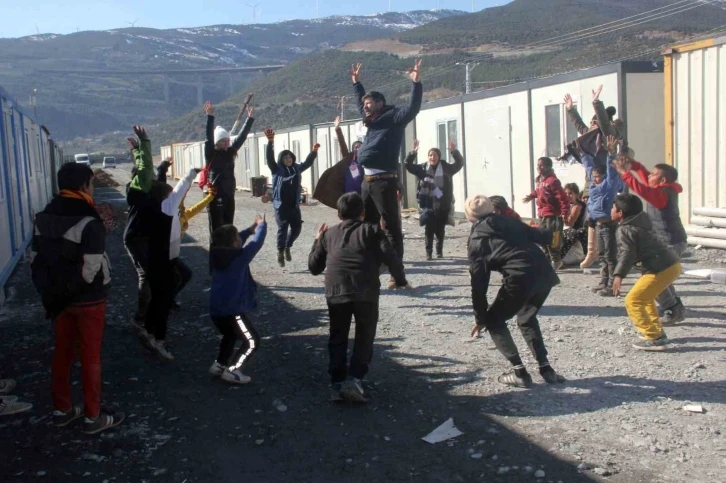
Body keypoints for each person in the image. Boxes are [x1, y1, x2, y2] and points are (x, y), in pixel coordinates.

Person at [30, 162, 124, 434]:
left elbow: (37, 259)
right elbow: (91, 268)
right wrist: (72, 292)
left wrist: (54, 295)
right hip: (88, 300)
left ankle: (62, 410)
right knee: (90, 357)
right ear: (84, 186)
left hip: (57, 299)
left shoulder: (43, 216)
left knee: (62, 353)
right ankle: (93, 417)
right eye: (91, 183)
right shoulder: (89, 220)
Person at [308, 193, 410, 403]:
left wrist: (316, 240)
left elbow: (314, 267)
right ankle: (354, 379)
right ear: (363, 213)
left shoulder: (328, 235)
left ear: (338, 214)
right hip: (365, 291)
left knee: (338, 335)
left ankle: (337, 381)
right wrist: (400, 279)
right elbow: (392, 257)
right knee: (364, 335)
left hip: (336, 291)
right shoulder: (372, 230)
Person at [466, 195, 565, 388]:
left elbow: (479, 283)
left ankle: (519, 373)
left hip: (520, 276)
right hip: (544, 273)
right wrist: (547, 229)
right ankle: (547, 370)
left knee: (493, 320)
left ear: (470, 215)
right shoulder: (508, 220)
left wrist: (480, 318)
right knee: (526, 318)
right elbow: (542, 236)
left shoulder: (477, 238)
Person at [350, 59, 423, 288]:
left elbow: (413, 108)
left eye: (370, 103)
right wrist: (357, 84)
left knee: (391, 229)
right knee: (366, 226)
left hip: (384, 182)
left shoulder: (393, 118)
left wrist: (416, 83)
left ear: (380, 103)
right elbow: (360, 105)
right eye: (366, 104)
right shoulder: (372, 120)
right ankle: (370, 268)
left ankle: (396, 276)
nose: (366, 107)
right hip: (367, 182)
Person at [614, 155, 688, 325]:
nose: (648, 176)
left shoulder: (662, 193)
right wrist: (634, 165)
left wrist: (626, 173)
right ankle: (674, 307)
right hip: (668, 240)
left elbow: (643, 190)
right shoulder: (662, 189)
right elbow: (646, 181)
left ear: (662, 179)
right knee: (662, 277)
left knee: (654, 277)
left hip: (671, 241)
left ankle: (672, 309)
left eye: (653, 174)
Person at [564, 85, 626, 268]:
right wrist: (570, 109)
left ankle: (611, 253)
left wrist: (596, 102)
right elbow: (579, 126)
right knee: (591, 219)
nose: (591, 126)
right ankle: (593, 253)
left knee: (607, 220)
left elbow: (604, 123)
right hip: (593, 182)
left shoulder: (608, 135)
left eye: (594, 123)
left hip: (608, 181)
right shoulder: (590, 137)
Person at [611, 194, 680, 351]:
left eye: (613, 207)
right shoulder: (641, 220)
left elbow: (626, 253)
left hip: (661, 268)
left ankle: (654, 338)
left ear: (620, 213)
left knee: (633, 301)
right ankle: (656, 331)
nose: (611, 210)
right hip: (670, 265)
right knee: (645, 298)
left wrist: (618, 275)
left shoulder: (624, 229)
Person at [209, 215, 267, 384]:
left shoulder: (216, 253)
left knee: (230, 336)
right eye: (237, 238)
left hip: (216, 311)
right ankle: (234, 370)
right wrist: (262, 226)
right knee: (252, 341)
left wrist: (250, 229)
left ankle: (219, 364)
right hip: (233, 312)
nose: (239, 239)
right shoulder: (239, 258)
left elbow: (238, 239)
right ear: (234, 243)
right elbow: (256, 244)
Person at [156, 159, 216, 307]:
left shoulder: (181, 214)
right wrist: (191, 174)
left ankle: (168, 300)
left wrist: (210, 196)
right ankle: (163, 302)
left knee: (182, 275)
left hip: (171, 253)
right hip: (163, 252)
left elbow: (196, 207)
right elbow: (180, 190)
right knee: (174, 277)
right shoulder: (167, 209)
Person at [265, 127, 319, 267]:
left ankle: (288, 246)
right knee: (282, 228)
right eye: (285, 157)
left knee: (296, 229)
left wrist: (313, 152)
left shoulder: (296, 168)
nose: (288, 159)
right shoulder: (276, 169)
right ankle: (280, 252)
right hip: (281, 206)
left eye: (290, 157)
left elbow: (307, 163)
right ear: (281, 160)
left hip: (294, 205)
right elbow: (269, 158)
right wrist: (270, 142)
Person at [404, 138, 464, 260]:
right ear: (428, 157)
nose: (432, 157)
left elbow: (459, 163)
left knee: (440, 229)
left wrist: (454, 151)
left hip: (442, 203)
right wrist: (413, 153)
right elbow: (407, 165)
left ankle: (439, 251)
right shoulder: (422, 168)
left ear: (439, 156)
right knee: (429, 229)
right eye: (430, 155)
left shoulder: (446, 167)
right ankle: (429, 253)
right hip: (427, 204)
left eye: (435, 155)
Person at [204, 100, 255, 234]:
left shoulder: (230, 153)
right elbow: (208, 138)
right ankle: (215, 251)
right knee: (216, 228)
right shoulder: (210, 154)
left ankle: (228, 251)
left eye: (228, 140)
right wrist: (210, 116)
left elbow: (241, 137)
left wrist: (249, 120)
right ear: (217, 142)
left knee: (228, 226)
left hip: (228, 195)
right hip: (214, 195)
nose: (227, 143)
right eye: (223, 141)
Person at [583, 136, 623, 296]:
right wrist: (583, 152)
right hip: (598, 225)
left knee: (610, 256)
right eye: (595, 177)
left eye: (599, 176)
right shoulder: (593, 187)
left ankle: (614, 286)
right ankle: (604, 281)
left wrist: (611, 154)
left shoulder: (608, 185)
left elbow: (611, 172)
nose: (596, 179)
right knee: (602, 255)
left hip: (608, 225)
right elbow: (588, 167)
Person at [124, 126, 154, 330]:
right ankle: (140, 317)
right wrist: (144, 141)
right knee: (146, 274)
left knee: (151, 273)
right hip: (136, 237)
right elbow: (145, 167)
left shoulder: (138, 187)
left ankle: (147, 311)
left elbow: (143, 168)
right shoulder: (138, 187)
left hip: (140, 235)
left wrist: (136, 150)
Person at [522, 156, 570, 270]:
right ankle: (549, 258)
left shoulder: (553, 181)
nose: (539, 167)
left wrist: (564, 212)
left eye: (542, 165)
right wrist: (532, 196)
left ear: (549, 167)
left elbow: (562, 197)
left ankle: (556, 261)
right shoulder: (540, 180)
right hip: (542, 215)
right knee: (541, 237)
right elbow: (538, 191)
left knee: (554, 239)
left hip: (553, 215)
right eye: (538, 165)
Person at [313, 116, 363, 209]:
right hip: (348, 193)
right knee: (348, 213)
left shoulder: (366, 160)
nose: (357, 148)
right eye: (355, 147)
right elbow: (342, 144)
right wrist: (337, 128)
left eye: (359, 146)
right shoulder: (348, 158)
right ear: (352, 149)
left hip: (363, 193)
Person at [560, 183, 588, 265]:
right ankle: (557, 258)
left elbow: (570, 223)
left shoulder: (579, 206)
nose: (568, 196)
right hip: (561, 228)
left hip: (573, 229)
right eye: (566, 194)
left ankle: (586, 256)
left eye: (570, 193)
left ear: (576, 194)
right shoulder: (562, 204)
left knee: (580, 231)